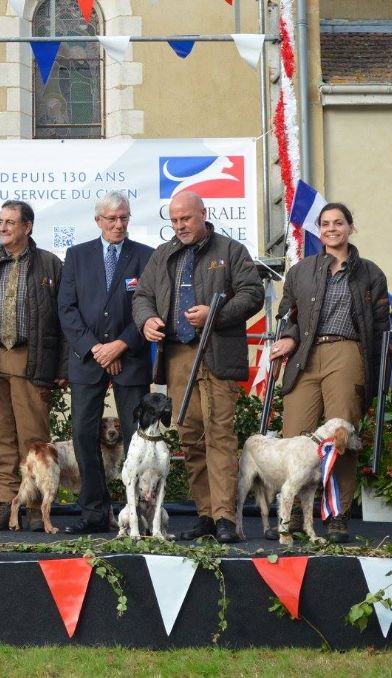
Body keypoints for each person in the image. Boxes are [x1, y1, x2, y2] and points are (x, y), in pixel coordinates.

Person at [132, 190, 263, 543]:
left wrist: (214, 314)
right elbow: (142, 296)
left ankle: (224, 517)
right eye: (174, 221)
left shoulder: (230, 251)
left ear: (202, 214)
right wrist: (146, 320)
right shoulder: (163, 255)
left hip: (216, 351)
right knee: (190, 438)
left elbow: (253, 294)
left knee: (220, 434)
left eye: (185, 219)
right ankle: (204, 514)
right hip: (177, 355)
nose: (180, 226)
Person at [269, 202, 388, 543]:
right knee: (295, 435)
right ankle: (291, 514)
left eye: (339, 223)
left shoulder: (370, 273)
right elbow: (286, 315)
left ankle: (337, 514)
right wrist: (290, 339)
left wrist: (378, 373)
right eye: (325, 224)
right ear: (319, 230)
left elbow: (380, 326)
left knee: (340, 437)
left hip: (347, 351)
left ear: (351, 227)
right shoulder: (301, 271)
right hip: (305, 353)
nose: (332, 229)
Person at [0, 200, 66, 531]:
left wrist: (62, 367)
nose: (3, 227)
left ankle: (36, 508)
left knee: (34, 437)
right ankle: (5, 503)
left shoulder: (50, 265)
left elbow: (65, 319)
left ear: (27, 227)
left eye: (10, 222)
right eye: (0, 221)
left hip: (32, 359)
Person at [58, 192, 154, 534]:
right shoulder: (77, 255)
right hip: (88, 359)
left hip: (130, 357)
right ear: (98, 221)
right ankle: (95, 511)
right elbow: (66, 309)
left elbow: (150, 308)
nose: (119, 224)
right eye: (112, 219)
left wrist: (120, 346)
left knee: (137, 437)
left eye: (124, 218)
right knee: (84, 434)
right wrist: (97, 349)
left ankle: (139, 513)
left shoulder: (146, 256)